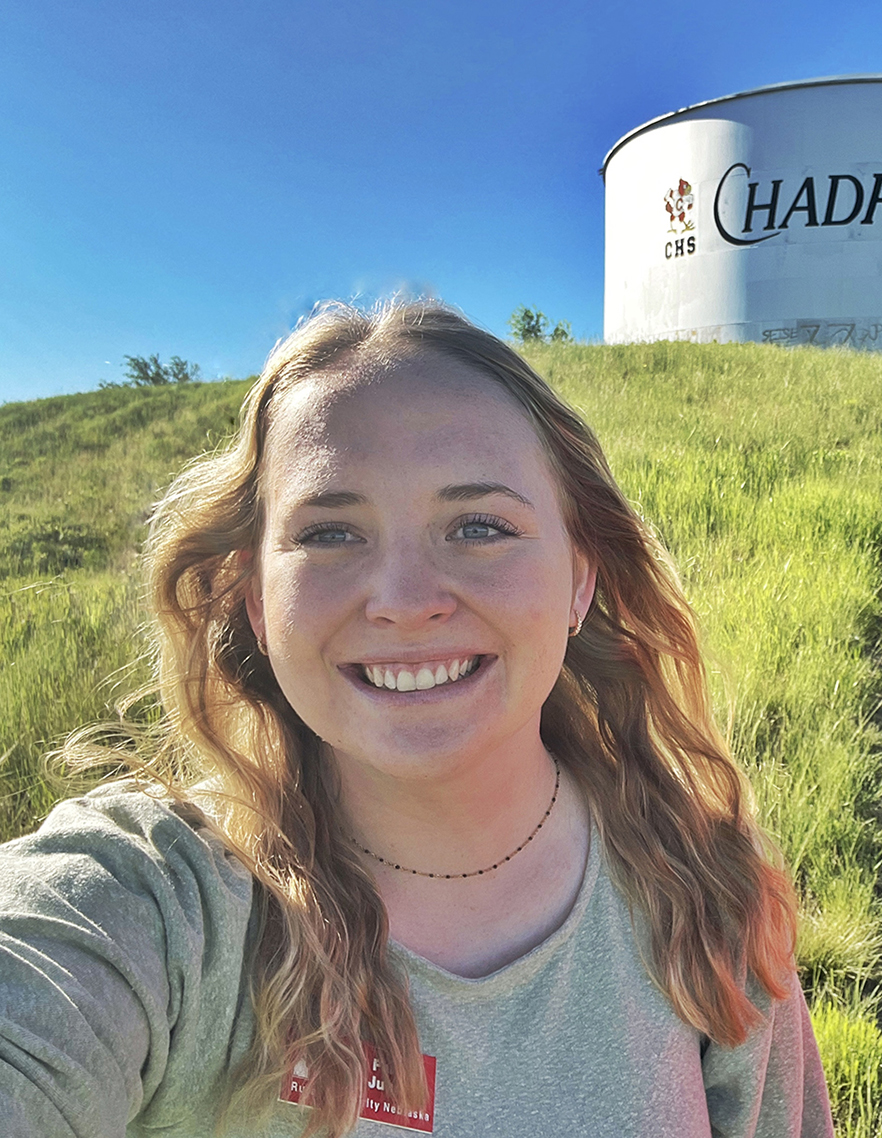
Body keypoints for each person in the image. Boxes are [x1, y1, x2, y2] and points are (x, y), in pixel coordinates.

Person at [0, 300, 833, 1137]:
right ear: (256, 601)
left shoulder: (707, 893)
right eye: (330, 533)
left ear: (579, 579)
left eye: (479, 526)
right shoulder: (156, 902)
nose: (403, 602)